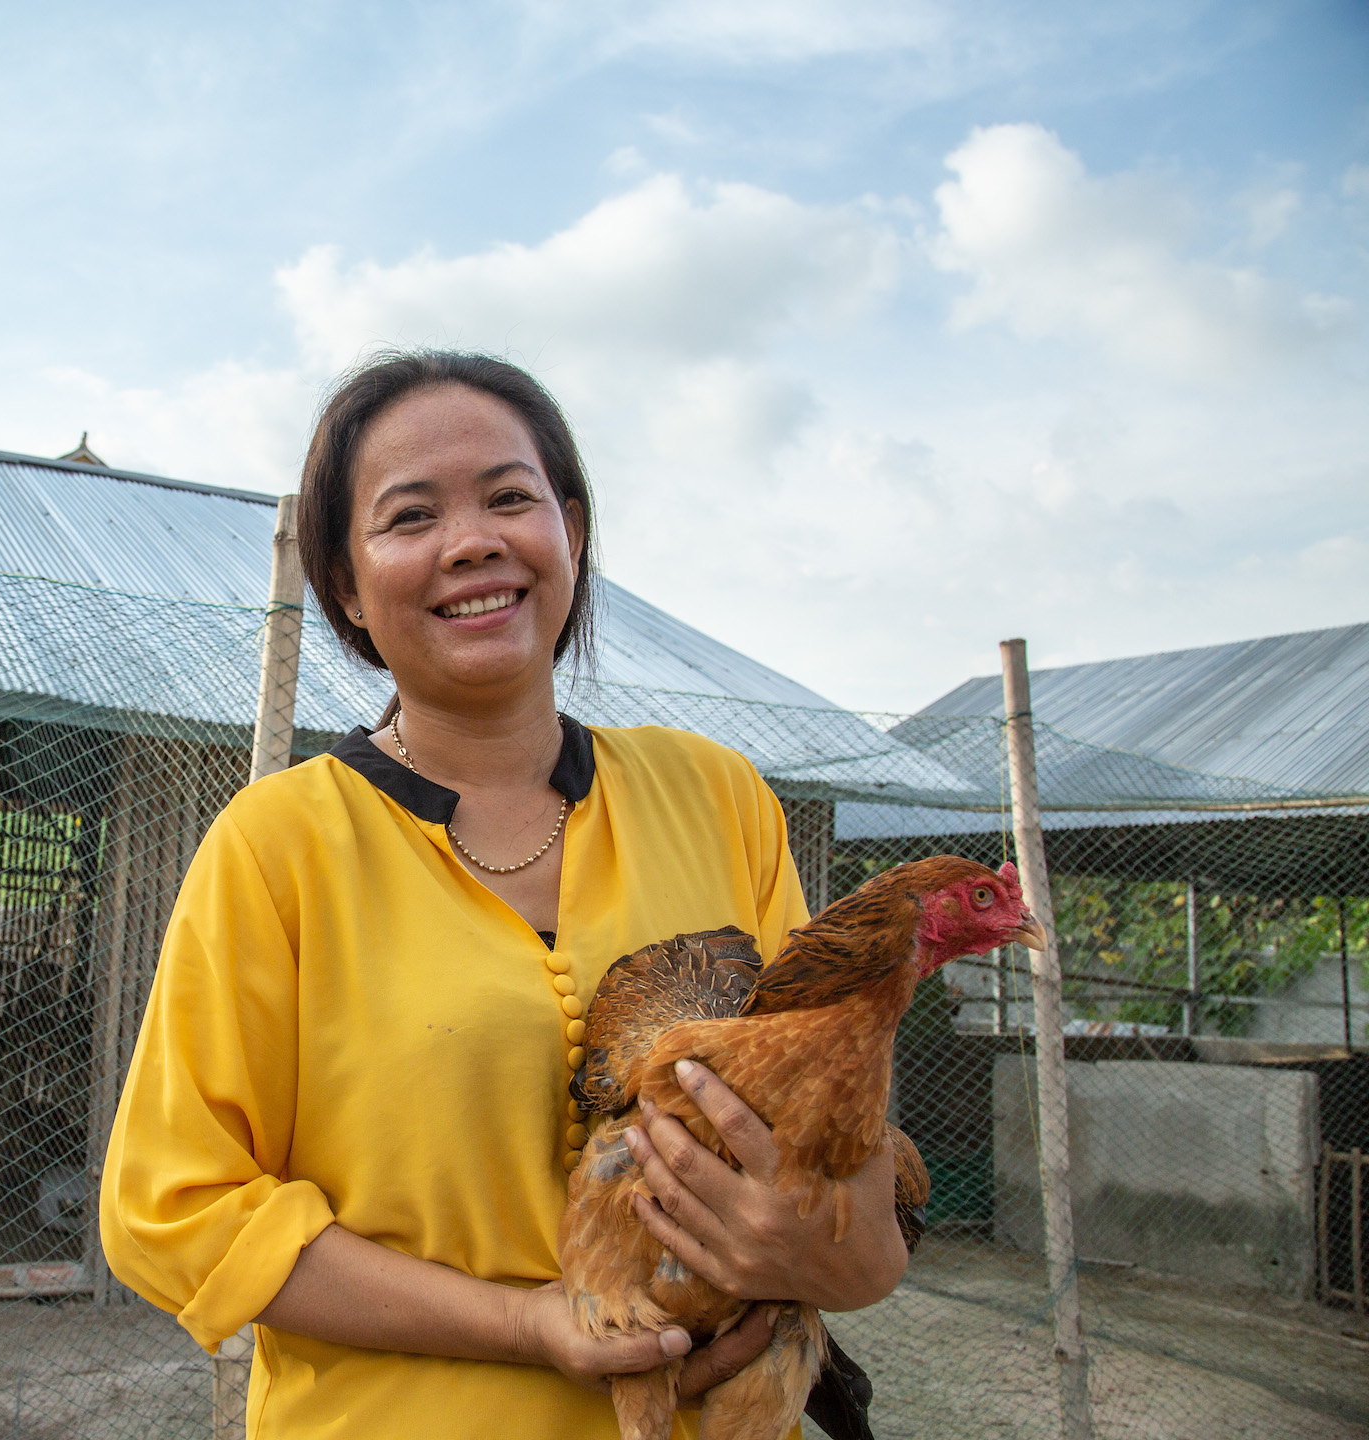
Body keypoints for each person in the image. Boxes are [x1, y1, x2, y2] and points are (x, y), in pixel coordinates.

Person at [98, 352, 909, 1439]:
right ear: (344, 580)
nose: (473, 540)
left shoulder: (719, 798)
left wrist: (834, 1252)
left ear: (568, 531)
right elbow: (175, 1212)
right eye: (409, 516)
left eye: (511, 498)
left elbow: (839, 1163)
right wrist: (528, 1325)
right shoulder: (279, 845)